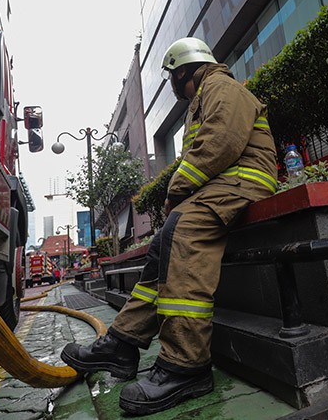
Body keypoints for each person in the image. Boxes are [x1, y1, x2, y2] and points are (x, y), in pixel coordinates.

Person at [60, 37, 278, 415]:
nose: (174, 89)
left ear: (183, 72)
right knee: (164, 243)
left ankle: (186, 365)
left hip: (244, 182)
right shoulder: (205, 96)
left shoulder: (222, 88)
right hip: (224, 185)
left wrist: (176, 190)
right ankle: (122, 344)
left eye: (173, 80)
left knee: (183, 235)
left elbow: (219, 143)